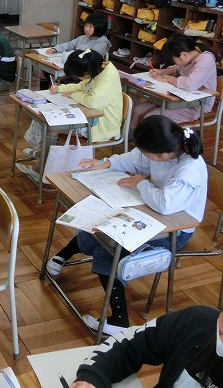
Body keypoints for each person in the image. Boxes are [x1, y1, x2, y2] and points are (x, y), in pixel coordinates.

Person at [48, 116, 207, 336]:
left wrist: (141, 183)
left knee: (108, 249)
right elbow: (133, 160)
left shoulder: (190, 168)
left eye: (146, 152)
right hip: (152, 212)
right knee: (99, 224)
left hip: (175, 230)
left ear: (163, 152)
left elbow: (165, 204)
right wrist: (105, 164)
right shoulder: (165, 151)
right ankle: (64, 255)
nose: (143, 155)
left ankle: (119, 321)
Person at [16, 49, 123, 183]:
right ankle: (44, 153)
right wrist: (59, 89)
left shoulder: (108, 76)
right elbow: (80, 86)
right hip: (90, 117)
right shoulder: (96, 70)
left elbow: (93, 102)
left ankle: (40, 170)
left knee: (52, 127)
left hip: (103, 125)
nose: (78, 78)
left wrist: (73, 95)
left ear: (86, 73)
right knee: (45, 118)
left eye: (78, 75)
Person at [71, 305, 223, 388]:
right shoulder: (198, 321)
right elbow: (131, 343)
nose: (220, 339)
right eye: (221, 332)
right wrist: (92, 378)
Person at [130, 34, 217, 131]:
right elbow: (177, 68)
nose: (175, 63)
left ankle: (151, 140)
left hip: (196, 105)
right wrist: (163, 72)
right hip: (178, 99)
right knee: (139, 110)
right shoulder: (188, 57)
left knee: (151, 118)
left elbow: (190, 84)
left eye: (174, 60)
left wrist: (168, 79)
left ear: (183, 55)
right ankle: (136, 136)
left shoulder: (206, 60)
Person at [45, 13, 111, 58]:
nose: (86, 29)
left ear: (99, 28)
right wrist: (55, 49)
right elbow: (69, 45)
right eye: (86, 25)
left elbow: (90, 59)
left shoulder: (102, 43)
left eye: (90, 26)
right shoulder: (83, 37)